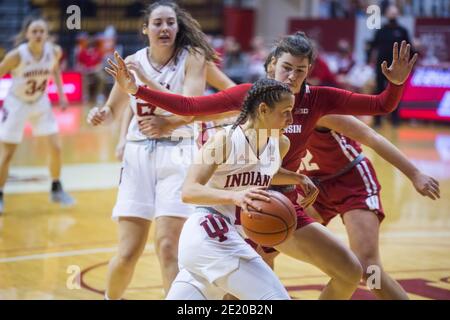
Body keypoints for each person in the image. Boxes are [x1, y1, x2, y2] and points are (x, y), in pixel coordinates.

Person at [107, 32, 418, 299]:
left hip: (278, 207)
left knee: (350, 271)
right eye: (286, 68)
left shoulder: (315, 104)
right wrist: (137, 90)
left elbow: (381, 105)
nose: (292, 77)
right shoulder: (247, 100)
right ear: (271, 66)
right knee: (243, 293)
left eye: (300, 70)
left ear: (308, 71)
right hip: (234, 209)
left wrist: (396, 85)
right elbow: (190, 107)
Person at [86, 1, 219, 299]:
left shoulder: (192, 57)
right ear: (145, 29)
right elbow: (112, 108)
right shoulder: (131, 61)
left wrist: (150, 91)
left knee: (169, 247)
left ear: (177, 26)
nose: (165, 28)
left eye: (170, 22)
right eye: (157, 23)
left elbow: (191, 108)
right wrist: (100, 114)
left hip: (178, 153)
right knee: (128, 252)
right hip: (138, 157)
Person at [167, 78, 299, 300]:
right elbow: (189, 191)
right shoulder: (225, 139)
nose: (291, 119)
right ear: (264, 109)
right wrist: (235, 196)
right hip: (208, 229)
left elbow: (263, 173)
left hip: (226, 234)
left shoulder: (280, 144)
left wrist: (298, 178)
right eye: (285, 112)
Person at [0, 16, 75, 215]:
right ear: (27, 34)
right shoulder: (16, 56)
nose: (39, 35)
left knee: (56, 148)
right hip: (16, 103)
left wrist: (61, 95)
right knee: (7, 154)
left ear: (47, 35)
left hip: (40, 101)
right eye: (35, 31)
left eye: (42, 31)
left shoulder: (55, 51)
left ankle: (56, 188)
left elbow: (56, 71)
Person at [368, 4, 412, 127]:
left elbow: (410, 48)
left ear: (398, 14)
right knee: (378, 91)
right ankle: (377, 120)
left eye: (395, 12)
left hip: (397, 67)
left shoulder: (402, 31)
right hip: (381, 66)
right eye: (390, 12)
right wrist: (368, 60)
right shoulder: (381, 31)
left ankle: (395, 119)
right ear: (386, 14)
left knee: (396, 90)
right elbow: (373, 47)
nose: (392, 14)